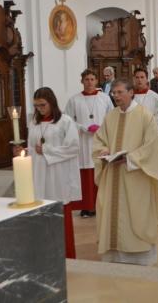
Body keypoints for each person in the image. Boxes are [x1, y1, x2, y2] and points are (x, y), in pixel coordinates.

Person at [92, 78, 158, 265]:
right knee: (111, 211)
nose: (116, 96)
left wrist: (130, 158)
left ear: (131, 93)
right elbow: (99, 139)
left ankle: (139, 255)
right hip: (113, 175)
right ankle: (115, 253)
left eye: (120, 92)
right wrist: (103, 150)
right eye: (114, 93)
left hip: (136, 176)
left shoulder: (145, 116)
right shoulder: (110, 116)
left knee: (136, 213)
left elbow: (152, 147)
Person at [25, 87, 81, 258]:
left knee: (59, 214)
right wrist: (24, 152)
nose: (40, 109)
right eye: (36, 106)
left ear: (52, 102)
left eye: (43, 105)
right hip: (38, 173)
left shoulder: (65, 121)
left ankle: (64, 255)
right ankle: (44, 255)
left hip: (58, 175)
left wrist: (47, 150)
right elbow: (31, 147)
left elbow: (73, 148)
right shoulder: (34, 123)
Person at [64, 69, 113, 218]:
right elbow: (67, 120)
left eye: (92, 79)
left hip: (101, 141)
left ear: (97, 81)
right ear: (82, 81)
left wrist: (101, 127)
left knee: (100, 173)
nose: (90, 82)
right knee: (85, 174)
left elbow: (112, 117)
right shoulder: (74, 100)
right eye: (87, 79)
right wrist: (83, 128)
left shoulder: (104, 98)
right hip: (83, 142)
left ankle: (101, 205)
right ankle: (86, 207)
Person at [132, 68, 158, 132]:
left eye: (142, 77)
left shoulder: (154, 97)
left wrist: (152, 129)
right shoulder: (129, 97)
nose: (139, 80)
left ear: (146, 79)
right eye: (137, 77)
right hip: (133, 132)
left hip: (150, 132)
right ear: (134, 79)